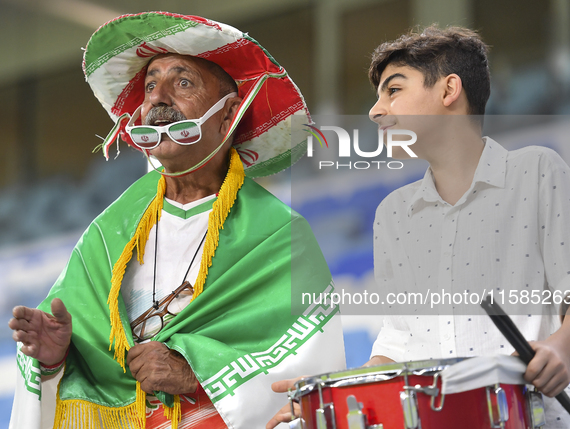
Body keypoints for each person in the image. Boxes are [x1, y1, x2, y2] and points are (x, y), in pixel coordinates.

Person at [8, 12, 345, 429]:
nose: (157, 98)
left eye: (182, 82)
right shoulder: (107, 233)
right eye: (150, 85)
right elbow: (79, 369)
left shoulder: (279, 234)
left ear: (229, 114)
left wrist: (193, 373)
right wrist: (55, 359)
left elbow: (312, 377)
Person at [268, 25, 570, 428]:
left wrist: (559, 350)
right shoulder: (392, 214)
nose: (375, 110)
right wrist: (330, 394)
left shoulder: (539, 171)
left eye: (394, 90)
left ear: (449, 89)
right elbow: (398, 343)